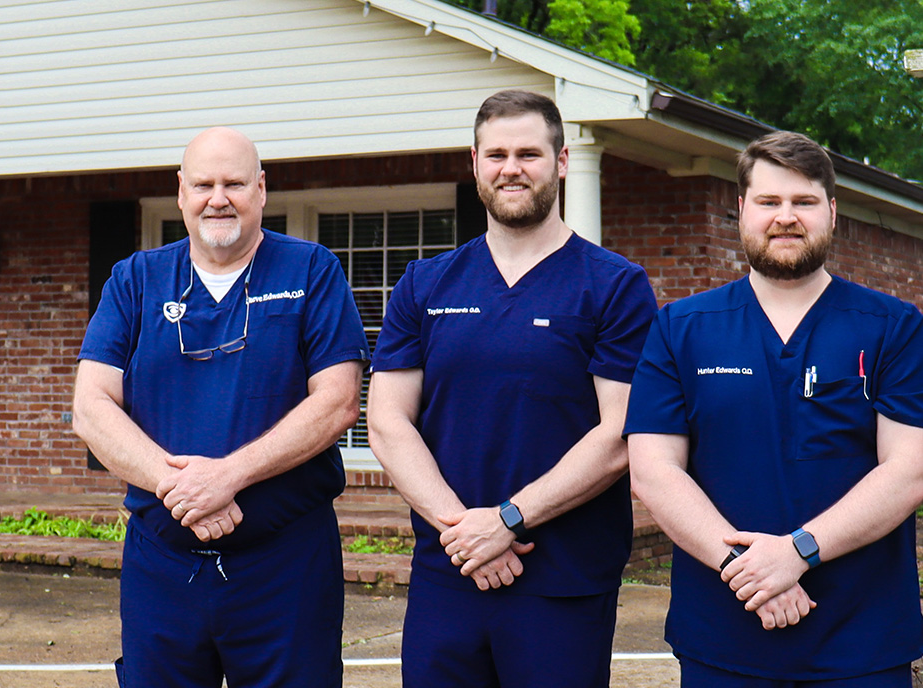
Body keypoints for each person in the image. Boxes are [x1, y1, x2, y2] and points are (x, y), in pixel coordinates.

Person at [366, 89, 657, 688]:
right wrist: (464, 530)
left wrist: (508, 521)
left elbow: (620, 432)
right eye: (496, 154)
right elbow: (388, 422)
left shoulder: (614, 286)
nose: (511, 168)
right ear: (475, 163)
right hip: (449, 571)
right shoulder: (425, 283)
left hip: (563, 580)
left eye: (529, 153)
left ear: (562, 161)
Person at [72, 126, 368, 688]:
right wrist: (180, 486)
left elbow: (337, 402)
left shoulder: (311, 270)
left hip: (284, 568)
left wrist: (228, 476)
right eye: (204, 184)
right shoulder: (135, 280)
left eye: (234, 183)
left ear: (261, 189)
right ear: (181, 191)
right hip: (163, 566)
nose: (218, 198)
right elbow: (91, 406)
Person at [625, 131, 923, 687]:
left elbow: (909, 470)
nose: (786, 217)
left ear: (832, 213)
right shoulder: (680, 329)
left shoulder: (894, 327)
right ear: (742, 210)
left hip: (861, 640)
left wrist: (797, 553)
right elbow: (653, 470)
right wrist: (746, 570)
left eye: (804, 201)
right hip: (723, 635)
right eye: (769, 201)